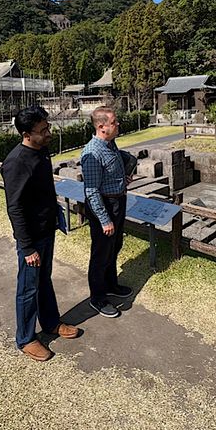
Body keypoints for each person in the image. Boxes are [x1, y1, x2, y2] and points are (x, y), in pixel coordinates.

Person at [1, 105, 79, 362]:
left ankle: (51, 323)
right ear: (26, 134)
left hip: (47, 229)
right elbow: (15, 207)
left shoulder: (42, 151)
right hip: (31, 238)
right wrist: (27, 247)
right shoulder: (16, 163)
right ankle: (25, 338)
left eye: (48, 127)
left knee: (44, 280)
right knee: (28, 288)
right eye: (42, 130)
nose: (48, 133)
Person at [81, 106, 133, 318]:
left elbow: (113, 170)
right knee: (101, 254)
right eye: (114, 121)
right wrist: (104, 220)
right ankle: (98, 298)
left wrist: (123, 179)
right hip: (105, 205)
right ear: (102, 127)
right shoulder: (92, 152)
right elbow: (92, 191)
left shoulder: (110, 144)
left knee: (114, 247)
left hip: (118, 201)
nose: (118, 124)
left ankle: (112, 285)